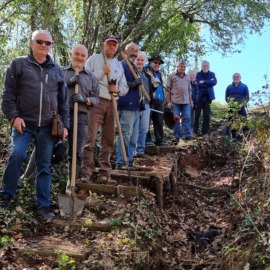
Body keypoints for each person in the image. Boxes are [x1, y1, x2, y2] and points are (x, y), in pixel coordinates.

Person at [0, 30, 69, 222]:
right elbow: (8, 96)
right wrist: (13, 117)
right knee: (17, 154)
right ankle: (6, 195)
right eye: (40, 41)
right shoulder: (18, 64)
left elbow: (64, 103)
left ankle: (43, 206)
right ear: (31, 43)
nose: (44, 45)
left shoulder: (57, 70)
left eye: (48, 43)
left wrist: (65, 126)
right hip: (24, 123)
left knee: (44, 165)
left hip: (48, 127)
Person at [19, 45, 100, 185]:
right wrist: (68, 83)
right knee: (44, 147)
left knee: (76, 153)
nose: (80, 57)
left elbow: (96, 99)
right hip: (58, 118)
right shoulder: (59, 71)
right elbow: (47, 89)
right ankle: (27, 179)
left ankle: (71, 185)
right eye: (77, 54)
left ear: (86, 58)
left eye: (83, 55)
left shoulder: (92, 77)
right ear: (71, 54)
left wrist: (85, 100)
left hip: (81, 118)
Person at [81, 35, 128, 183]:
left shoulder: (119, 65)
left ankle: (104, 173)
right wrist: (102, 71)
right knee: (90, 138)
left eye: (114, 45)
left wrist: (117, 90)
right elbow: (85, 79)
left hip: (112, 102)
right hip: (96, 101)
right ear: (104, 45)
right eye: (109, 44)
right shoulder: (94, 59)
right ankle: (86, 173)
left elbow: (124, 87)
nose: (112, 47)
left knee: (108, 140)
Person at [116, 42, 141, 168]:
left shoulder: (134, 66)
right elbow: (118, 85)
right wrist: (133, 84)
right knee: (125, 135)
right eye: (131, 50)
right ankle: (121, 162)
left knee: (133, 138)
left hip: (136, 107)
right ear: (125, 51)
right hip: (126, 105)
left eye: (136, 51)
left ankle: (129, 161)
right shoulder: (122, 66)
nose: (134, 53)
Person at [135, 51, 157, 156]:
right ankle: (132, 151)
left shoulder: (147, 74)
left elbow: (149, 90)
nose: (140, 62)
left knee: (144, 128)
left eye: (142, 60)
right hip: (134, 103)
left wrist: (155, 86)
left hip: (146, 104)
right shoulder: (131, 71)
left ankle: (140, 150)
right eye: (138, 60)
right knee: (134, 127)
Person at [166, 60, 193, 143]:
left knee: (187, 118)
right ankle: (176, 136)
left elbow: (189, 90)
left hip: (186, 102)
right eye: (181, 66)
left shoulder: (187, 77)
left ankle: (187, 135)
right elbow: (168, 89)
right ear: (177, 67)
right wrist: (169, 101)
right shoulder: (171, 76)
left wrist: (191, 100)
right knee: (176, 118)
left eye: (184, 67)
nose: (183, 68)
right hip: (175, 101)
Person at [145, 55, 167, 146]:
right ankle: (147, 140)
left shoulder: (159, 73)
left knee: (159, 120)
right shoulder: (146, 70)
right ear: (150, 62)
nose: (157, 64)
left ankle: (160, 139)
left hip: (159, 100)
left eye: (159, 63)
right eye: (155, 62)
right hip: (150, 99)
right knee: (147, 120)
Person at [193, 60, 217, 137]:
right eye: (204, 66)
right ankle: (195, 131)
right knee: (196, 115)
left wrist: (203, 82)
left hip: (208, 97)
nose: (205, 67)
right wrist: (208, 82)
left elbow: (214, 82)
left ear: (209, 67)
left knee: (206, 115)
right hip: (198, 97)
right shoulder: (197, 74)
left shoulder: (212, 74)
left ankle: (205, 132)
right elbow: (197, 84)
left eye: (207, 66)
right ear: (201, 66)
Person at [225, 72, 249, 138]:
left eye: (237, 76)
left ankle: (246, 134)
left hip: (241, 106)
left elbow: (247, 98)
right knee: (232, 120)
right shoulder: (229, 87)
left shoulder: (244, 86)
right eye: (234, 77)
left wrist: (242, 104)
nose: (236, 78)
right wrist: (230, 103)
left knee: (244, 119)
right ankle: (233, 136)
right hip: (232, 107)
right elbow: (226, 98)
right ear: (232, 78)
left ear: (240, 78)